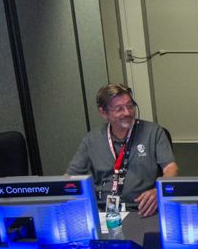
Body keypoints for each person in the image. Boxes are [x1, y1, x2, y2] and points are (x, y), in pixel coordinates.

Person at [67, 83, 178, 217]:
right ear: (103, 112)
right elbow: (70, 178)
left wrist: (158, 191)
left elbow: (171, 169)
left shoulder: (153, 132)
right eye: (119, 109)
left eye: (130, 106)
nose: (127, 112)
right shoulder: (92, 139)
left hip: (142, 210)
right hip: (103, 211)